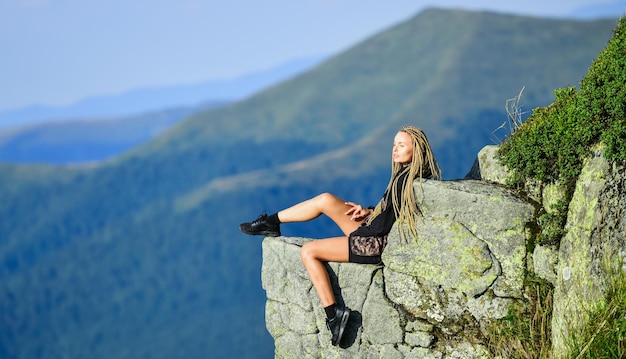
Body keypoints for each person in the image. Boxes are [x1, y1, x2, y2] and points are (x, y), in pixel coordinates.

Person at [239, 125, 441, 347]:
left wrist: (366, 225)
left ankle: (334, 315)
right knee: (325, 199)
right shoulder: (407, 172)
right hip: (373, 231)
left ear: (417, 149)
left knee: (309, 252)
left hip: (374, 243)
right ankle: (270, 222)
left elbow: (387, 224)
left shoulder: (408, 180)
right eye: (394, 145)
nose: (395, 150)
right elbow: (393, 212)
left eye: (401, 145)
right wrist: (369, 212)